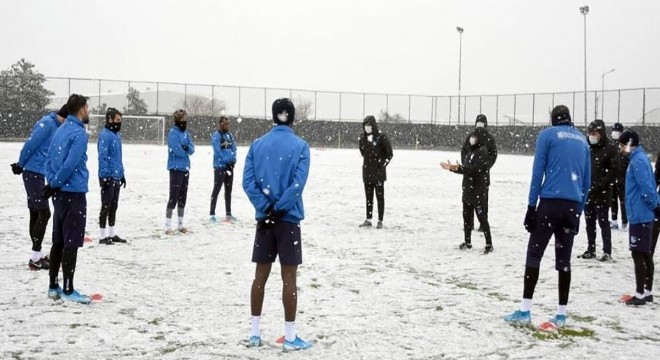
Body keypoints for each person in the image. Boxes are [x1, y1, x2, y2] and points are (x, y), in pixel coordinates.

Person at [504, 105, 590, 328]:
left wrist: (531, 206)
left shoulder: (547, 135)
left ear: (553, 119)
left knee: (534, 255)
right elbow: (587, 182)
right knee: (564, 261)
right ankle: (561, 315)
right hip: (572, 205)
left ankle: (525, 310)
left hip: (550, 203)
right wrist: (578, 211)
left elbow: (537, 172)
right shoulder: (582, 141)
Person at [242, 98, 312, 351]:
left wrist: (266, 208)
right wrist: (280, 209)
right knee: (289, 279)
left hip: (265, 221)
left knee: (260, 276)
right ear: (293, 118)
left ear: (273, 116)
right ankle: (290, 336)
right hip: (288, 220)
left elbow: (248, 182)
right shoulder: (301, 146)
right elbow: (298, 184)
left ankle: (254, 333)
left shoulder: (257, 145)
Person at [43, 94, 92, 304]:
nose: (88, 111)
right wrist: (55, 183)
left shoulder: (60, 129)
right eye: (87, 107)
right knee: (71, 242)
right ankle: (69, 289)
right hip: (73, 192)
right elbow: (70, 164)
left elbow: (49, 159)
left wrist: (52, 183)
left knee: (58, 240)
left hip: (60, 193)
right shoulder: (79, 133)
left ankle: (53, 286)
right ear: (81, 110)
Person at [10, 104, 68, 270]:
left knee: (35, 212)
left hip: (39, 173)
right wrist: (21, 164)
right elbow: (31, 144)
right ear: (63, 117)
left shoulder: (57, 126)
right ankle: (35, 257)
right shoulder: (47, 124)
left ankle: (38, 255)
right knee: (44, 213)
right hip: (32, 172)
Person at [617, 130, 660, 305]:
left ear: (629, 144)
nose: (620, 149)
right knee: (645, 253)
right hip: (642, 213)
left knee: (639, 254)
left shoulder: (638, 161)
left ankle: (640, 293)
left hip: (640, 214)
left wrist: (654, 205)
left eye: (621, 145)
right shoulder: (639, 159)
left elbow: (647, 187)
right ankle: (647, 291)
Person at [441, 127, 493, 253]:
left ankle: (488, 243)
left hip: (478, 190)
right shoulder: (469, 152)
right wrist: (453, 169)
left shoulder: (482, 151)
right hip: (468, 190)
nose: (472, 139)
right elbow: (467, 171)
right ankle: (467, 241)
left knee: (481, 217)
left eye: (474, 137)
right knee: (467, 217)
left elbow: (475, 170)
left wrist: (460, 168)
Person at [578, 120, 617, 262]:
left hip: (602, 193)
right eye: (590, 133)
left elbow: (615, 170)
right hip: (588, 192)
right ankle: (591, 249)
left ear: (601, 133)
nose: (592, 136)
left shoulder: (610, 148)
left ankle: (607, 251)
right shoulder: (586, 147)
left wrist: (602, 184)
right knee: (589, 223)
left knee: (603, 222)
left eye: (595, 133)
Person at [461, 114, 497, 232]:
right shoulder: (489, 138)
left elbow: (464, 151)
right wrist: (486, 167)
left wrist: (467, 167)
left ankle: (469, 224)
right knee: (482, 201)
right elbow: (494, 154)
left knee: (468, 200)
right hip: (483, 176)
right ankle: (483, 224)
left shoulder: (470, 136)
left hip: (469, 176)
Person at [97, 108, 126, 245]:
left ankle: (112, 233)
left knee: (114, 205)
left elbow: (117, 158)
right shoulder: (105, 135)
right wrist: (105, 175)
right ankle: (102, 236)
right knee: (106, 205)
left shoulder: (116, 136)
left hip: (116, 176)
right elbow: (103, 157)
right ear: (110, 120)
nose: (119, 123)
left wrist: (121, 174)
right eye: (117, 120)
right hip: (108, 176)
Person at [358, 115, 393, 229]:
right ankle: (368, 219)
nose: (367, 127)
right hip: (367, 172)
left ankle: (380, 220)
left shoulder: (381, 137)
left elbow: (389, 153)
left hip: (378, 174)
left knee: (380, 197)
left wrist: (381, 164)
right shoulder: (362, 139)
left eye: (369, 125)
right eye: (365, 125)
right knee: (368, 197)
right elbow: (363, 152)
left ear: (373, 125)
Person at [165, 109, 195, 235]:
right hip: (176, 168)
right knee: (174, 196)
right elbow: (177, 149)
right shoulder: (173, 133)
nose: (184, 122)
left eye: (185, 120)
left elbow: (192, 149)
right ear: (177, 120)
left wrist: (187, 148)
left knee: (183, 196)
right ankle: (167, 226)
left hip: (185, 168)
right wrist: (185, 149)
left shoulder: (186, 133)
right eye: (182, 120)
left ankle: (180, 224)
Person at [209, 116, 237, 223]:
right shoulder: (216, 136)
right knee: (216, 190)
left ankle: (228, 214)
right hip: (220, 167)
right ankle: (212, 214)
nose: (228, 126)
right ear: (221, 124)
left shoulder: (229, 135)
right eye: (226, 124)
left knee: (228, 191)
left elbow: (234, 148)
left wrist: (233, 160)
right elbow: (217, 152)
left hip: (229, 167)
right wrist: (226, 161)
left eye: (229, 124)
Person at [610, 122, 629, 230]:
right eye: (614, 131)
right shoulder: (611, 144)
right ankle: (614, 220)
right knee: (613, 200)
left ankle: (624, 221)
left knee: (623, 200)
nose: (615, 133)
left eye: (617, 131)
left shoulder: (625, 146)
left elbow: (627, 161)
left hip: (622, 177)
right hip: (613, 177)